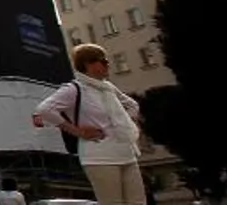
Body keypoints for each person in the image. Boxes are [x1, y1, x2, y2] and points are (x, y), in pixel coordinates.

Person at [35, 43, 145, 205]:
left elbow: (132, 105)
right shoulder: (74, 89)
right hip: (99, 156)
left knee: (138, 202)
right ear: (88, 64)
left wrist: (124, 123)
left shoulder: (107, 88)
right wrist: (77, 131)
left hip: (126, 151)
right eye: (104, 61)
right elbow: (45, 110)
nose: (108, 65)